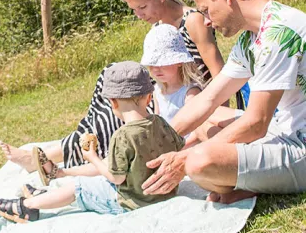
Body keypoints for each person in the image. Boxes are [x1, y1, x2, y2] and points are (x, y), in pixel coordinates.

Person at [0, 0, 223, 173]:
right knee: (111, 76)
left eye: (142, 7)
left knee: (117, 112)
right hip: (164, 90)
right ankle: (80, 144)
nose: (139, 15)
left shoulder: (192, 20)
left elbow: (219, 75)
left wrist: (214, 122)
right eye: (134, 9)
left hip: (187, 99)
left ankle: (50, 155)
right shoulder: (158, 26)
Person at [141, 0, 306, 204]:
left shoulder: (279, 34)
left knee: (199, 163)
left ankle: (253, 180)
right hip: (281, 126)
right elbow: (208, 99)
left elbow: (257, 123)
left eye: (206, 10)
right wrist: (157, 142)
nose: (205, 21)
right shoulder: (251, 38)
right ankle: (253, 180)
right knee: (202, 122)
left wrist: (184, 158)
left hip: (299, 143)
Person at [0, 62, 185, 223]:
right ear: (149, 97)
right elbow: (179, 147)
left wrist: (92, 157)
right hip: (163, 194)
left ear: (113, 103)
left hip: (132, 201)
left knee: (80, 188)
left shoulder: (122, 136)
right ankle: (45, 195)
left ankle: (27, 207)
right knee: (94, 180)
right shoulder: (160, 123)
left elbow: (116, 178)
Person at [31, 23, 203, 184]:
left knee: (120, 163)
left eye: (163, 63)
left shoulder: (190, 92)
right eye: (152, 64)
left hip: (176, 147)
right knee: (116, 157)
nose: (156, 69)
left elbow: (197, 131)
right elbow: (156, 118)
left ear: (179, 61)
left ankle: (65, 172)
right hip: (159, 142)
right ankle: (61, 173)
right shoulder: (158, 88)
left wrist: (173, 150)